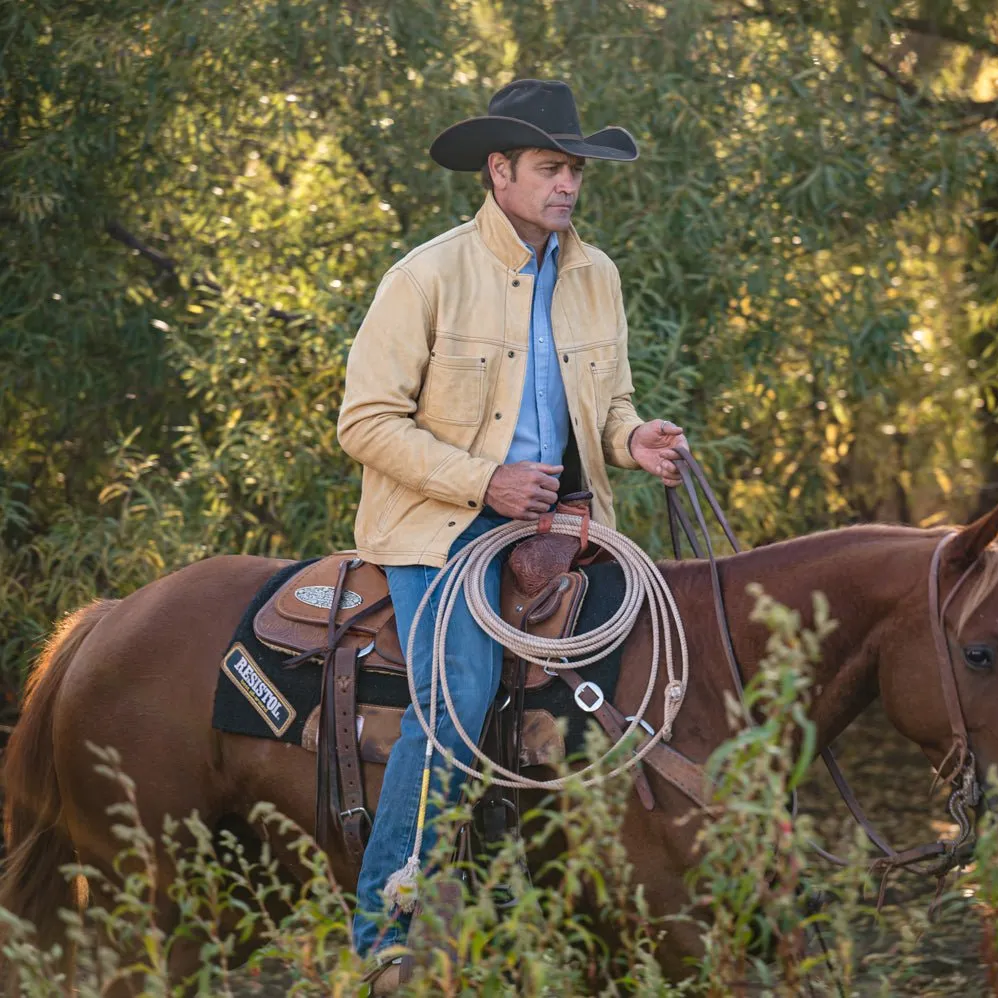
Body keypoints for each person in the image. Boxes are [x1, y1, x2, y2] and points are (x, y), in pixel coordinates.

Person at [335, 78, 687, 989]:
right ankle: (389, 931)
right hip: (441, 526)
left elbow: (607, 402)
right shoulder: (426, 276)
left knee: (664, 662)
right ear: (499, 171)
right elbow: (364, 422)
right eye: (548, 167)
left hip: (568, 524)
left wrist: (632, 438)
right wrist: (484, 480)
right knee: (457, 690)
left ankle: (574, 899)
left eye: (573, 169)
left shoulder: (595, 274)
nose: (567, 184)